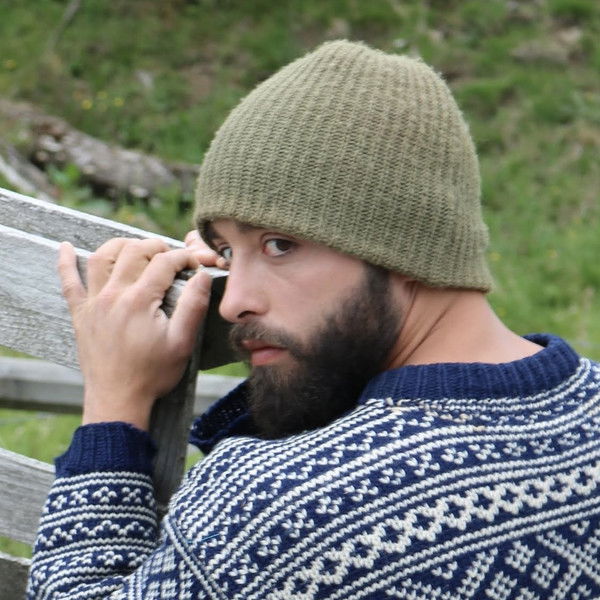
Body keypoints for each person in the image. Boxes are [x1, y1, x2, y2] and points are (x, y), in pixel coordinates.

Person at [27, 40, 600, 600]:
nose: (231, 302)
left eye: (280, 244)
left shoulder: (282, 512)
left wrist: (115, 400)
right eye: (225, 251)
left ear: (404, 245)